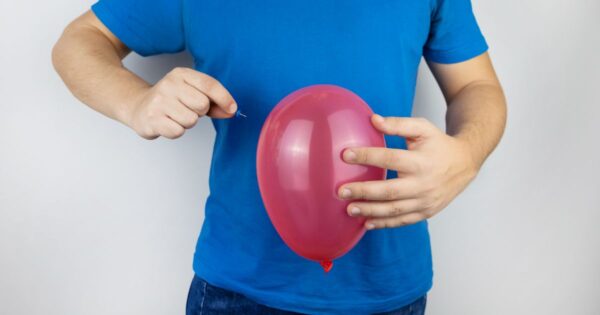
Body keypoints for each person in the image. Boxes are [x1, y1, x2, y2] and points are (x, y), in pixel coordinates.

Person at [52, 0, 506, 314]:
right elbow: (79, 41)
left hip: (388, 285)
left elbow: (475, 86)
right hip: (239, 289)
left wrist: (466, 154)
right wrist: (135, 102)